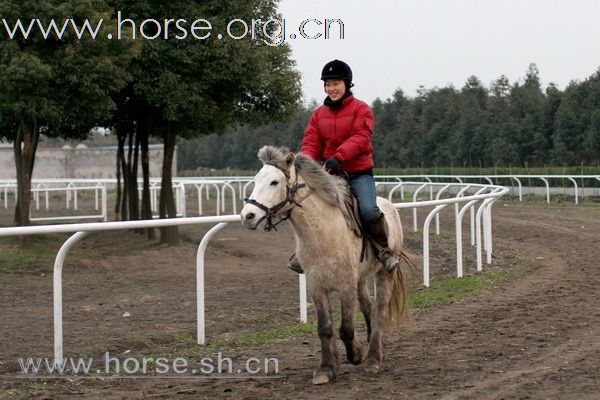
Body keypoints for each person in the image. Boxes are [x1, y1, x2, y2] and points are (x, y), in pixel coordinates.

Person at [288, 59, 400, 274]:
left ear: (347, 84)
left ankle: (384, 250)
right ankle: (303, 253)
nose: (331, 88)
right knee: (306, 206)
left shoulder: (362, 109)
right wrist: (307, 164)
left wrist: (339, 157)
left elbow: (361, 137)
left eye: (336, 83)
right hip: (328, 174)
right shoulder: (318, 114)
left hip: (358, 173)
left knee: (368, 210)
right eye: (327, 84)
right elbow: (311, 142)